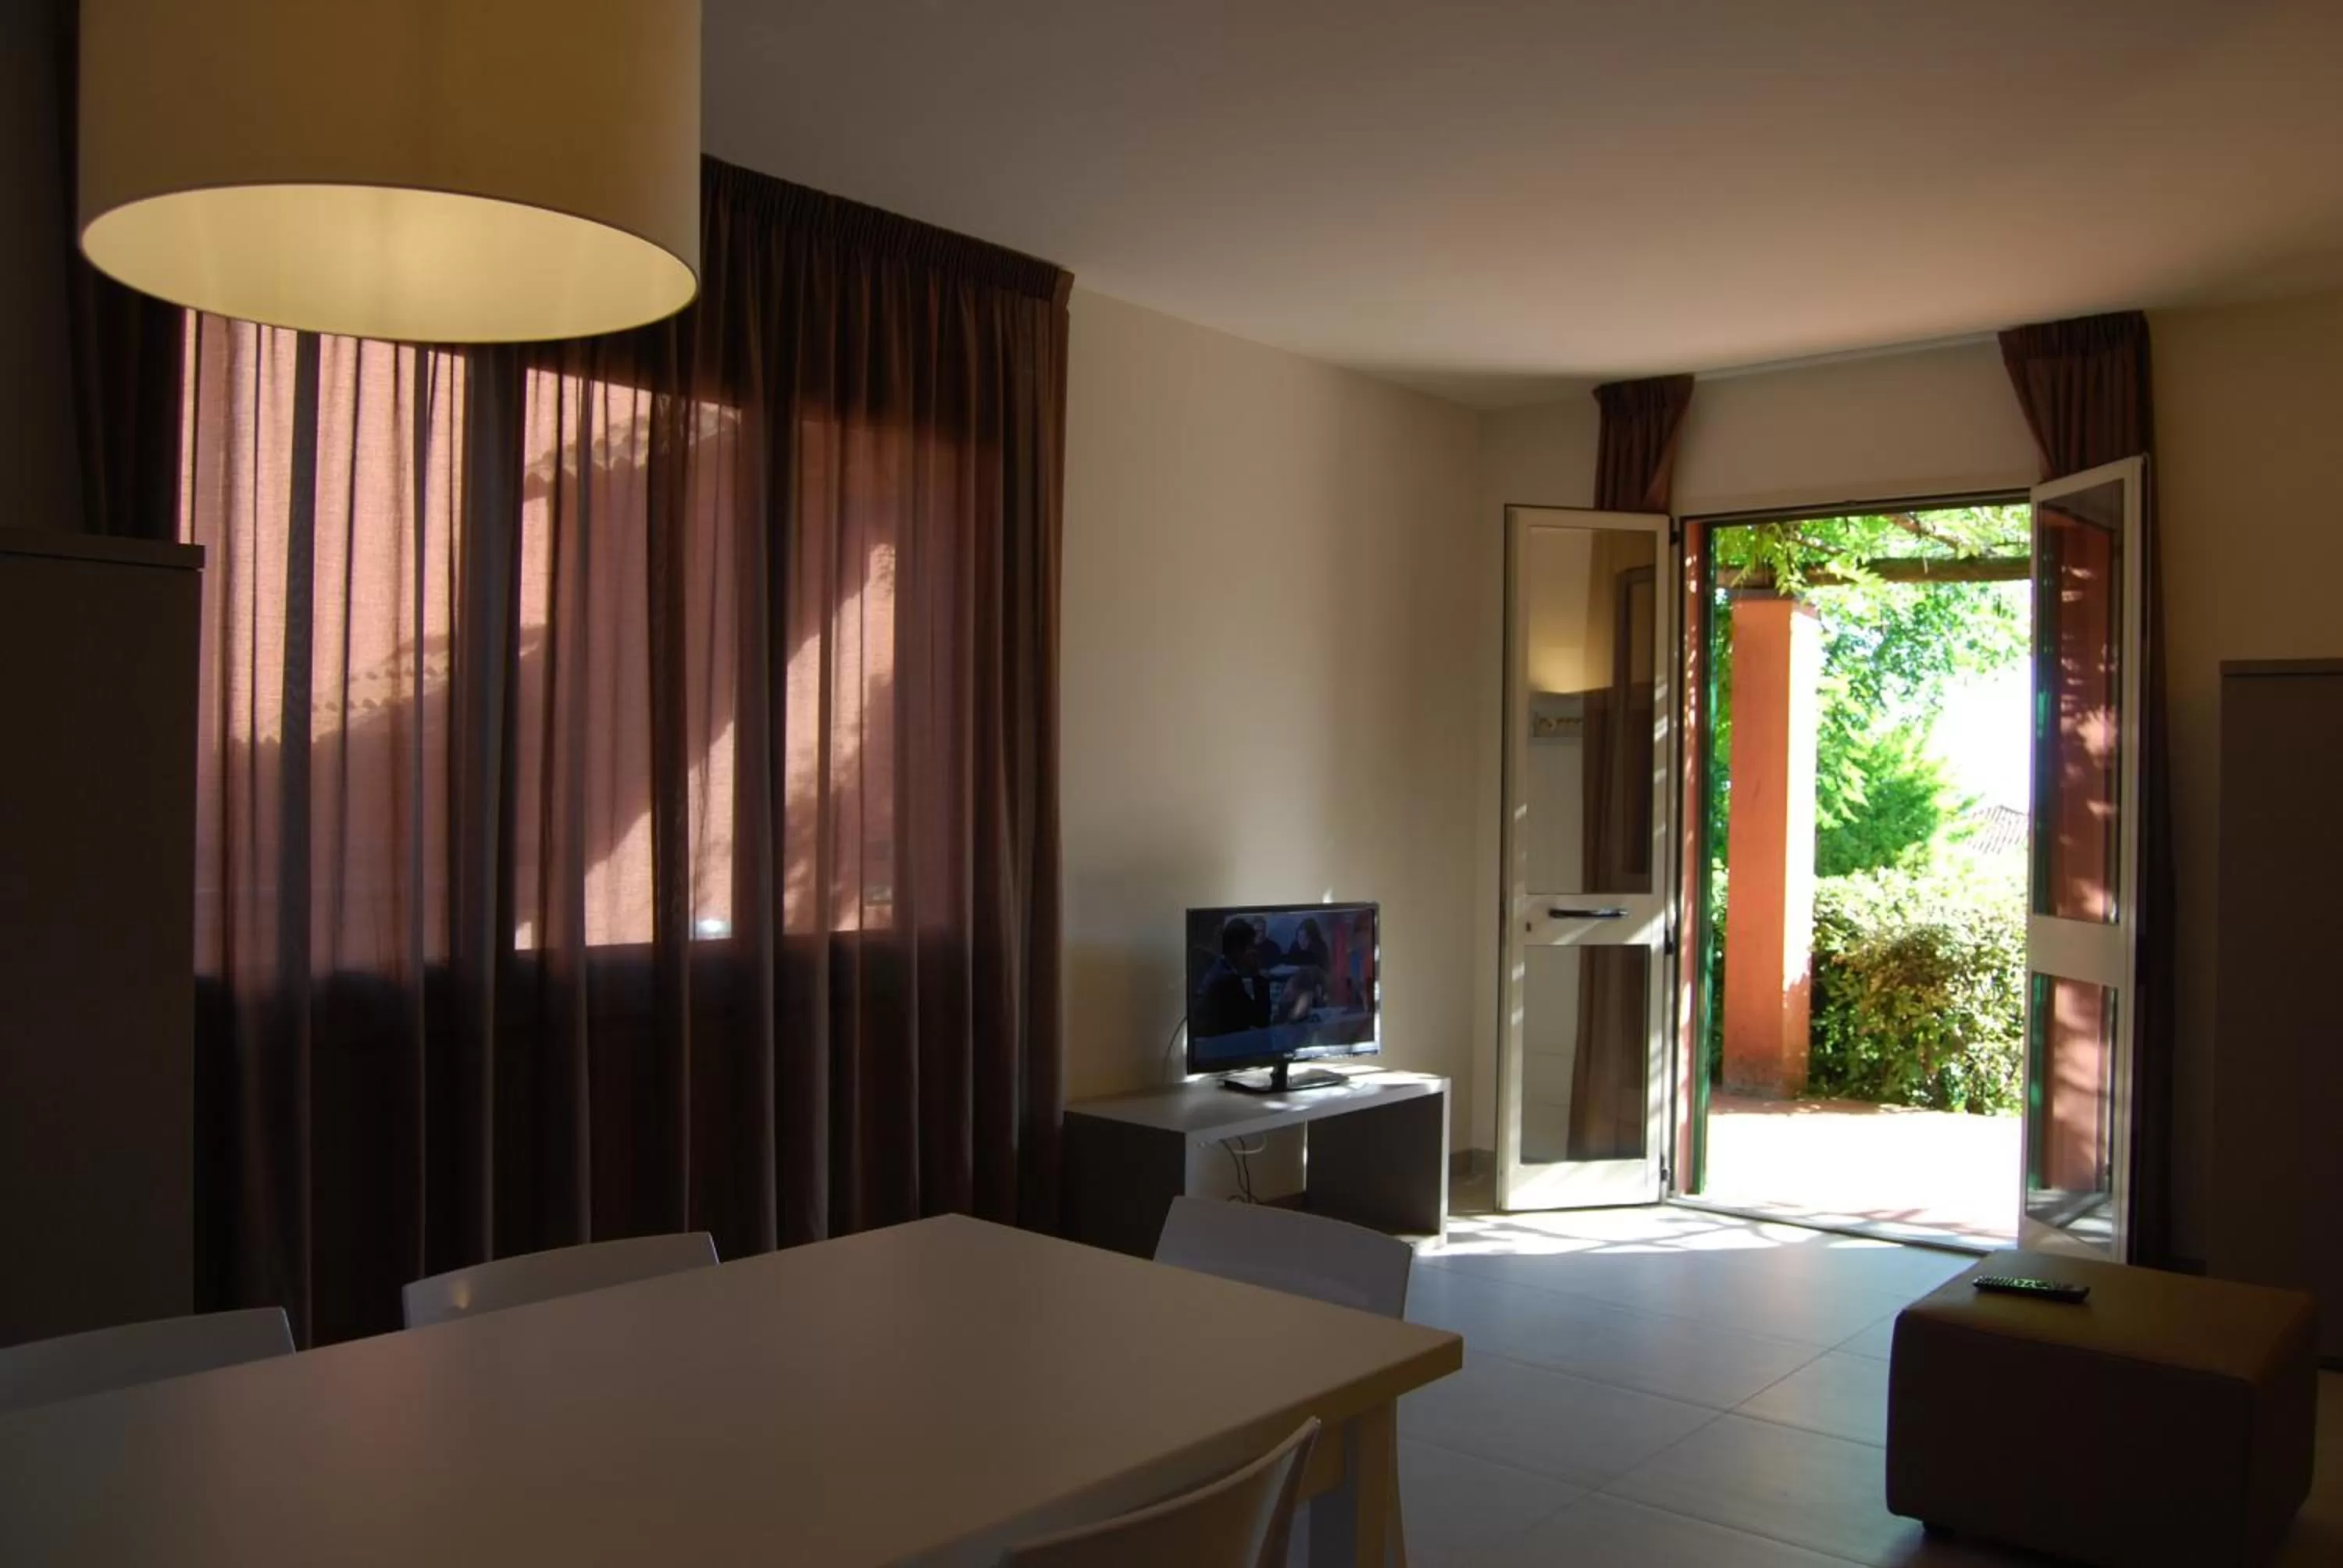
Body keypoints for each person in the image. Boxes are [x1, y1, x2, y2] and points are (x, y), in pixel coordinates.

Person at [1193, 917, 1271, 1038]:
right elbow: (1261, 1021)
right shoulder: (1227, 982)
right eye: (1251, 947)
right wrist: (1257, 976)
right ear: (1236, 949)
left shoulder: (1219, 969)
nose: (1254, 952)